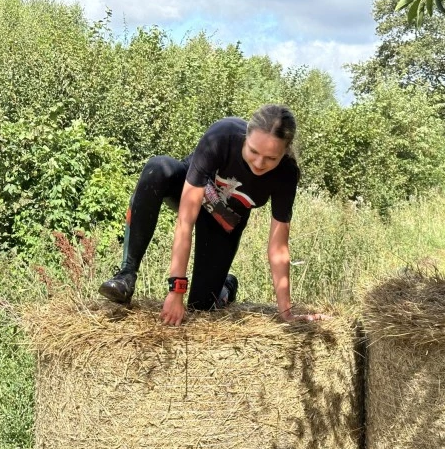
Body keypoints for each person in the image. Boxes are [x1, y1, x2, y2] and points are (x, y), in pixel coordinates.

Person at [98, 104, 325, 326]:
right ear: (246, 136)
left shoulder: (286, 174)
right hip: (192, 193)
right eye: (253, 151)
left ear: (284, 152)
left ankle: (226, 285)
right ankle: (126, 274)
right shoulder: (222, 136)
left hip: (224, 222)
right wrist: (176, 290)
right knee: (158, 168)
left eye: (270, 159)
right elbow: (185, 221)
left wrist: (286, 312)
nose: (259, 162)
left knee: (201, 307)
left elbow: (278, 246)